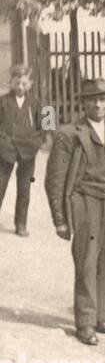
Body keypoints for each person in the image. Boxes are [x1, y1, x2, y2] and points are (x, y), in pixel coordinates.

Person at [45, 78, 105, 346]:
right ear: (83, 103)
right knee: (86, 262)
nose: (98, 104)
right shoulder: (69, 133)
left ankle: (104, 317)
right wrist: (60, 220)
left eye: (103, 99)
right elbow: (54, 178)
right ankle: (85, 323)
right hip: (86, 202)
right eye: (92, 100)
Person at [0, 64, 45, 237]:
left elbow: (48, 124)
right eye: (17, 83)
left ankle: (21, 223)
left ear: (30, 84)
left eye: (24, 84)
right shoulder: (2, 101)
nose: (20, 87)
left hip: (28, 150)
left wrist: (39, 141)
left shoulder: (36, 102)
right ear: (11, 82)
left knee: (25, 187)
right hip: (6, 150)